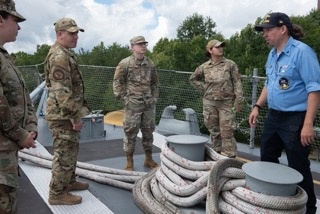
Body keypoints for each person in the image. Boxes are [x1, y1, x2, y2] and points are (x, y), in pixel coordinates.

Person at [248, 12, 319, 214]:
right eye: (263, 30)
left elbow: (314, 89)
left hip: (296, 119)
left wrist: (307, 124)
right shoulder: (272, 55)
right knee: (267, 158)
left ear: (282, 29)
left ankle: (308, 209)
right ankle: (276, 203)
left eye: (268, 29)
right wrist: (257, 106)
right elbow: (269, 85)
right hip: (274, 116)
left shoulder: (302, 53)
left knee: (298, 165)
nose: (265, 34)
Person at [44, 17, 90, 205]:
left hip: (65, 114)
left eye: (77, 33)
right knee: (63, 155)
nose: (76, 36)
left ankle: (68, 182)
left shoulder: (65, 53)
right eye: (72, 33)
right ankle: (57, 193)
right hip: (63, 116)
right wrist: (75, 117)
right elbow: (61, 92)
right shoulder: (60, 57)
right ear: (59, 34)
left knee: (70, 151)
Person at [0, 0, 38, 213]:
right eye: (16, 20)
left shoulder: (5, 57)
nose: (20, 27)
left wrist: (30, 126)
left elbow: (22, 96)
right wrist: (20, 134)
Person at [190, 39, 244, 158]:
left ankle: (231, 157)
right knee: (214, 132)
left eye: (221, 46)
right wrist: (205, 88)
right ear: (210, 50)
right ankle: (215, 156)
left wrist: (239, 100)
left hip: (226, 103)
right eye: (217, 47)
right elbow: (193, 79)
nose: (220, 48)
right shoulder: (204, 67)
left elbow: (237, 82)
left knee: (227, 131)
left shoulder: (230, 64)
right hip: (210, 103)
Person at [113, 36, 159, 171]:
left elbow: (155, 83)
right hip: (132, 105)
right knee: (130, 133)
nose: (143, 46)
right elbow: (117, 82)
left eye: (144, 43)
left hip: (148, 105)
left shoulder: (150, 64)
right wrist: (123, 98)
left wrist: (154, 97)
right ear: (132, 47)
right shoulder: (125, 64)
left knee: (148, 132)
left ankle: (149, 159)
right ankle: (129, 162)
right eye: (139, 44)